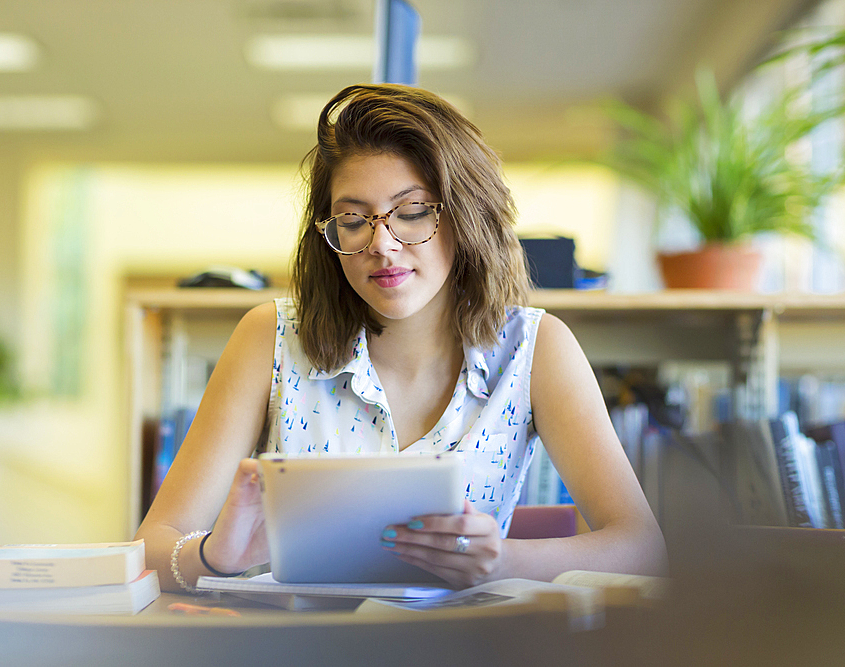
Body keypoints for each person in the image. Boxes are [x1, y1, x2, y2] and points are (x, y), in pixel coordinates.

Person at [135, 84, 668, 592]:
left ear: (467, 216)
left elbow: (642, 549)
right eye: (352, 220)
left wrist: (502, 562)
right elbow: (153, 546)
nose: (382, 245)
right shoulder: (268, 338)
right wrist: (212, 556)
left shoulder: (536, 349)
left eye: (412, 213)